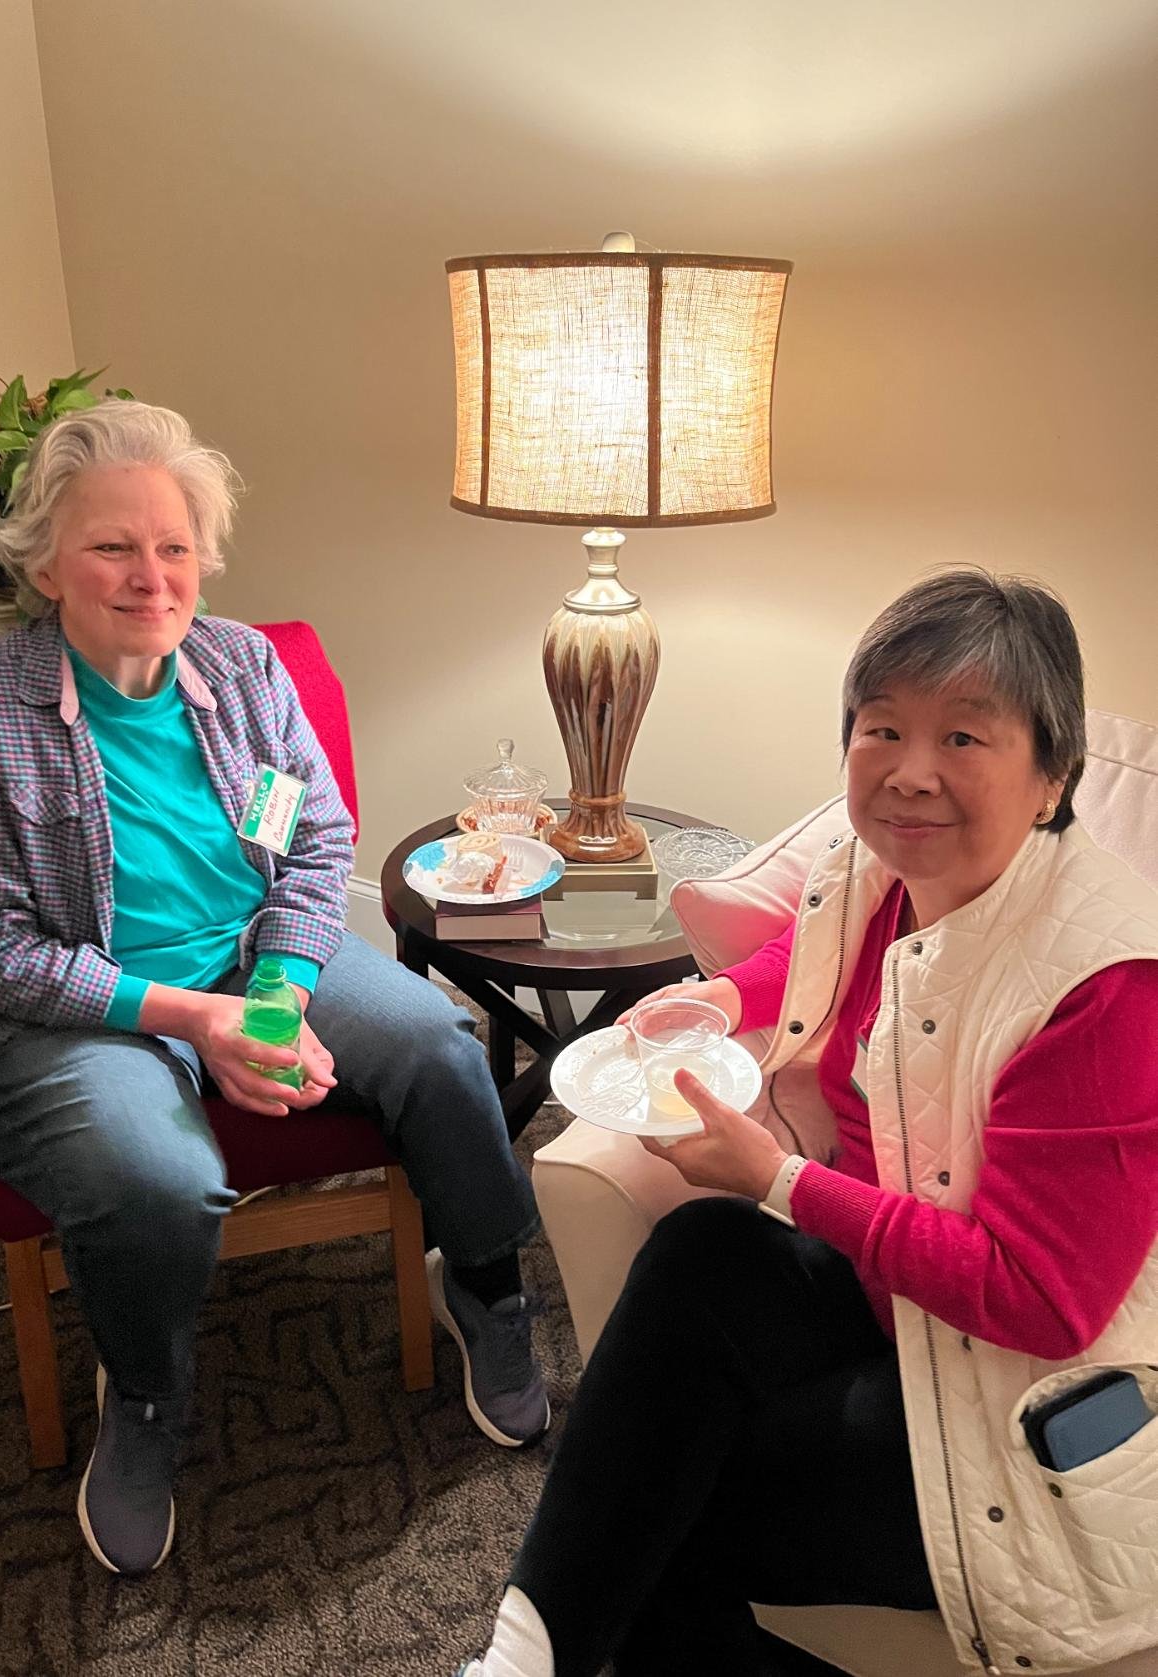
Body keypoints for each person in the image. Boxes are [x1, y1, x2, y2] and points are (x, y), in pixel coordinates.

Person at [459, 570, 1158, 1677]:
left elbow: (1041, 1300)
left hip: (1028, 1397)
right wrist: (718, 997)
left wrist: (779, 1179)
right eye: (883, 727)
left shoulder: (1101, 987)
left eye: (963, 737)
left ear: (1051, 777)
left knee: (658, 1511)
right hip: (904, 1307)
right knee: (703, 1254)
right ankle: (518, 1662)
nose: (911, 770)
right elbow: (820, 951)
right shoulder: (884, 872)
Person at [0, 399, 548, 1579]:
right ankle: (145, 1392)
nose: (150, 576)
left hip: (250, 956)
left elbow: (313, 838)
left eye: (174, 545)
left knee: (439, 1046)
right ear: (45, 565)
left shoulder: (243, 667)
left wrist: (273, 996)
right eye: (111, 546)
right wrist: (193, 1021)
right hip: (74, 1005)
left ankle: (486, 1287)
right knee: (155, 1179)